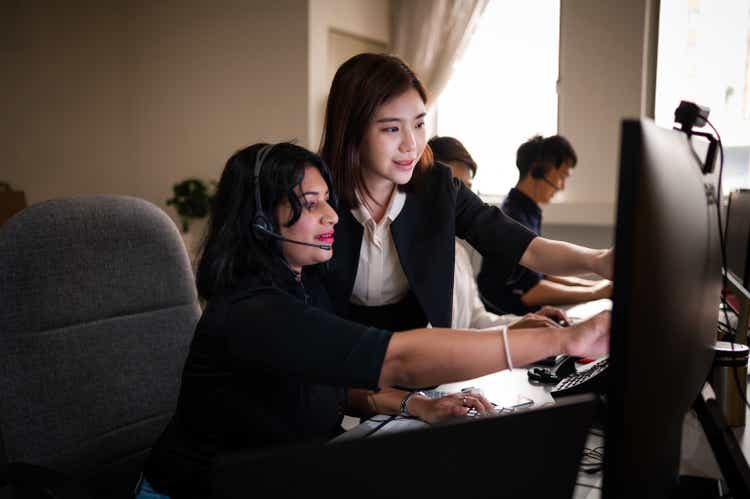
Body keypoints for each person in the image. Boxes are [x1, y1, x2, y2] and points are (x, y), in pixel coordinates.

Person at [136, 143, 610, 498]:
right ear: (260, 218)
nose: (332, 217)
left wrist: (418, 408)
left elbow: (333, 387)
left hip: (273, 475)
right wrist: (568, 340)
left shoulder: (303, 286)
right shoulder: (253, 310)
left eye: (328, 200)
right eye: (310, 202)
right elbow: (398, 358)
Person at [427, 135, 569, 330]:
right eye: (452, 187)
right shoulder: (412, 258)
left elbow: (477, 320)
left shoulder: (458, 253)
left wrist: (525, 322)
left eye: (466, 190)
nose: (460, 199)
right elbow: (438, 341)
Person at [476, 135, 612, 316]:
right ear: (537, 171)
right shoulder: (514, 216)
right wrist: (595, 293)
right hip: (506, 317)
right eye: (562, 176)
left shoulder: (528, 210)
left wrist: (596, 285)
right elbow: (531, 292)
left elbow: (543, 272)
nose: (562, 187)